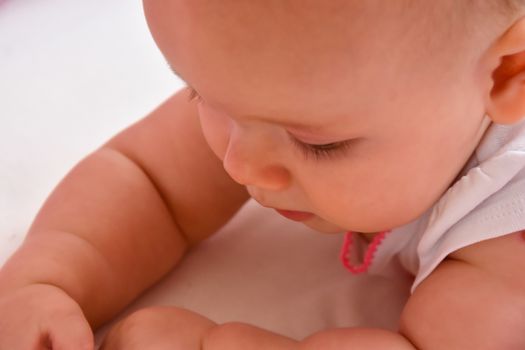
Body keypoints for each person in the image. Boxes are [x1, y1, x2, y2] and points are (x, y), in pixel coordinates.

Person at [2, 0, 525, 348]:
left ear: (505, 74)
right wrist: (42, 279)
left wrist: (211, 343)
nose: (238, 163)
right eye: (201, 92)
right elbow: (146, 177)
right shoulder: (266, 91)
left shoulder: (504, 251)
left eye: (317, 143)